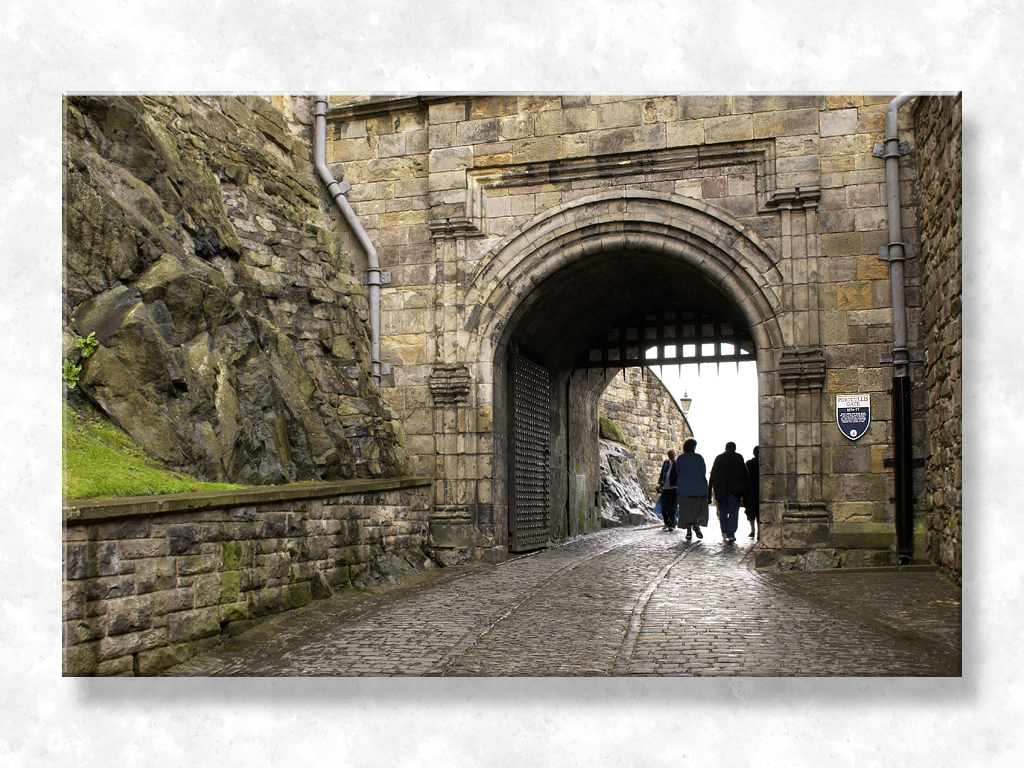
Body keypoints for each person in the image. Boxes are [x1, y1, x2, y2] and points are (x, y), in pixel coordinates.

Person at [708, 442, 751, 544]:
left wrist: (709, 492)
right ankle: (731, 533)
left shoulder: (719, 458)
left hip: (721, 490)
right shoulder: (738, 458)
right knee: (733, 511)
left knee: (722, 511)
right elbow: (745, 475)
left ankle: (724, 531)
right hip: (735, 490)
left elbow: (713, 475)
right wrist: (747, 492)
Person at [675, 438, 709, 541]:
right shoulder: (699, 458)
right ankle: (697, 525)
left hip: (685, 488)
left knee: (686, 511)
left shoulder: (680, 458)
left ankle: (689, 531)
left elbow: (677, 472)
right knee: (697, 510)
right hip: (698, 488)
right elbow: (703, 471)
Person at [655, 448, 678, 530]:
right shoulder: (666, 463)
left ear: (674, 454)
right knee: (664, 506)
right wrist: (659, 483)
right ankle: (667, 522)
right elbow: (662, 474)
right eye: (669, 454)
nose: (671, 456)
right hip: (665, 487)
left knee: (672, 506)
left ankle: (672, 524)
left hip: (674, 487)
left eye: (672, 454)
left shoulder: (677, 463)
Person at [744, 446, 760, 539]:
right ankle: (759, 531)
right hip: (760, 490)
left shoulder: (749, 463)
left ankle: (753, 530)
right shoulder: (764, 464)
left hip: (751, 490)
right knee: (759, 512)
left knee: (750, 511)